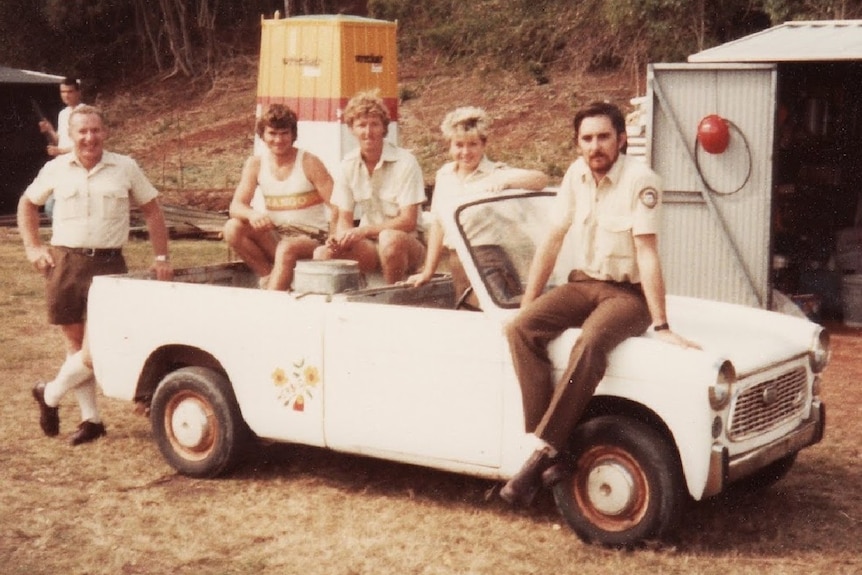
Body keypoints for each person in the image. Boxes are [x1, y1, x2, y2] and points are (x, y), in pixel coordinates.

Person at [500, 101, 700, 506]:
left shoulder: (642, 181)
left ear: (622, 139)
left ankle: (543, 454)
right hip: (583, 283)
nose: (595, 146)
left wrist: (661, 324)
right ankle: (561, 444)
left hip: (628, 294)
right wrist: (529, 300)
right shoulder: (577, 175)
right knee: (520, 329)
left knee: (589, 342)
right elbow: (552, 240)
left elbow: (646, 252)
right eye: (587, 139)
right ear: (578, 145)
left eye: (604, 137)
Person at [18, 105, 174, 446]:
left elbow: (152, 210)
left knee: (96, 349)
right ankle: (92, 420)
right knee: (75, 344)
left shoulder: (125, 167)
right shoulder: (56, 169)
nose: (89, 138)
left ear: (105, 132)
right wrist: (33, 248)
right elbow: (27, 204)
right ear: (71, 135)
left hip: (109, 265)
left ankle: (50, 393)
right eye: (82, 132)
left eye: (95, 130)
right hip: (65, 263)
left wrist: (161, 256)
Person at [406, 106, 548, 300]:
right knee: (465, 311)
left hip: (488, 261)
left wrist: (506, 182)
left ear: (483, 144)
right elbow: (439, 224)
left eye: (472, 144)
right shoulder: (444, 175)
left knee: (497, 312)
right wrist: (428, 272)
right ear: (450, 145)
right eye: (459, 145)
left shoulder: (495, 172)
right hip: (458, 260)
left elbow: (540, 179)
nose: (465, 152)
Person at [315, 90, 426, 284]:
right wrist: (342, 236)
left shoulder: (406, 162)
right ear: (351, 129)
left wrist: (363, 231)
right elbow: (344, 218)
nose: (368, 132)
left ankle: (393, 300)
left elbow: (408, 221)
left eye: (374, 124)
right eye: (361, 125)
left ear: (384, 128)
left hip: (407, 244)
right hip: (371, 245)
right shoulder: (347, 164)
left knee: (389, 239)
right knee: (322, 254)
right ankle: (341, 309)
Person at [223, 104, 335, 290]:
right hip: (277, 234)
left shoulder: (309, 162)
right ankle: (269, 276)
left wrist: (332, 243)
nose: (278, 140)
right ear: (263, 135)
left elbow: (337, 205)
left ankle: (271, 302)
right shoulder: (255, 164)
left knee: (287, 247)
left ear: (293, 134)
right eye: (272, 134)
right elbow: (236, 206)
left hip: (311, 239)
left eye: (284, 133)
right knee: (232, 227)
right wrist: (252, 215)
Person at [39, 77, 85, 158]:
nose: (66, 95)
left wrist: (61, 151)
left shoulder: (85, 112)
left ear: (78, 92)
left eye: (70, 92)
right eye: (63, 92)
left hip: (79, 160)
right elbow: (59, 141)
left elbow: (86, 144)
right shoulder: (63, 113)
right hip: (63, 161)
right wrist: (50, 130)